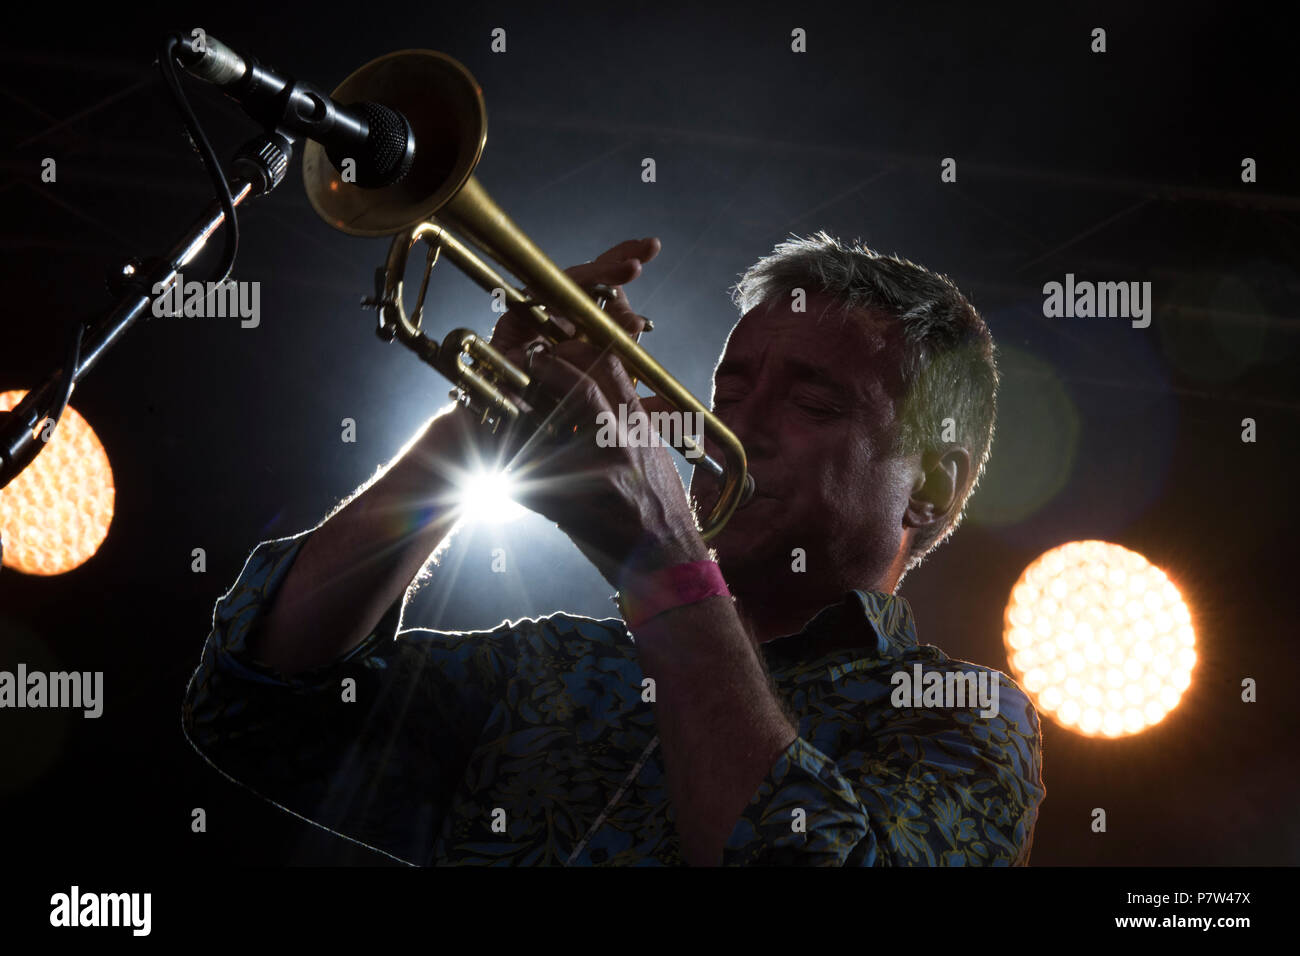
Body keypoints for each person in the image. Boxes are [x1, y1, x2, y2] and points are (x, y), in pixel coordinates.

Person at [182, 232, 1045, 866]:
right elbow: (255, 707)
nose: (729, 427)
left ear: (930, 484)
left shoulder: (962, 716)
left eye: (814, 405)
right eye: (731, 389)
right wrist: (476, 427)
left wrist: (666, 565)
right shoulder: (552, 664)